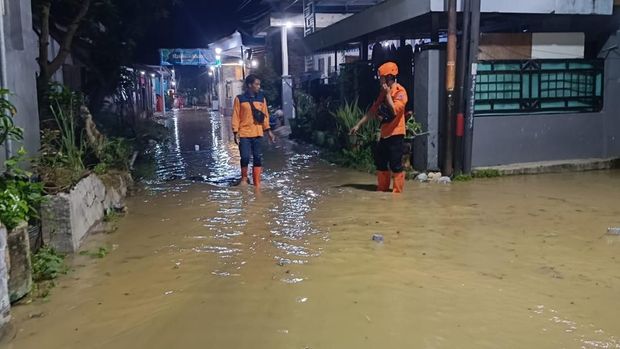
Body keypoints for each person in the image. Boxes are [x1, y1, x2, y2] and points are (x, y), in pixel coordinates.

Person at [350, 61, 409, 193]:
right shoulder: (382, 94)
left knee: (395, 165)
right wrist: (358, 125)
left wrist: (388, 95)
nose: (379, 80)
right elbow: (373, 111)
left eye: (381, 77)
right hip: (385, 134)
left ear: (388, 77)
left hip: (396, 134)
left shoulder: (400, 92)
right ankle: (382, 189)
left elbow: (394, 111)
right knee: (381, 162)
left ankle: (397, 193)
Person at [232, 74, 276, 187]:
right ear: (249, 85)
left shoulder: (262, 99)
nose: (258, 86)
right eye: (256, 84)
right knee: (245, 157)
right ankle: (244, 178)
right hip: (244, 134)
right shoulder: (240, 99)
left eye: (259, 84)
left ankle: (257, 183)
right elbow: (236, 116)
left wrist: (269, 131)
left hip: (257, 133)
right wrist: (235, 132)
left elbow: (265, 115)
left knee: (257, 157)